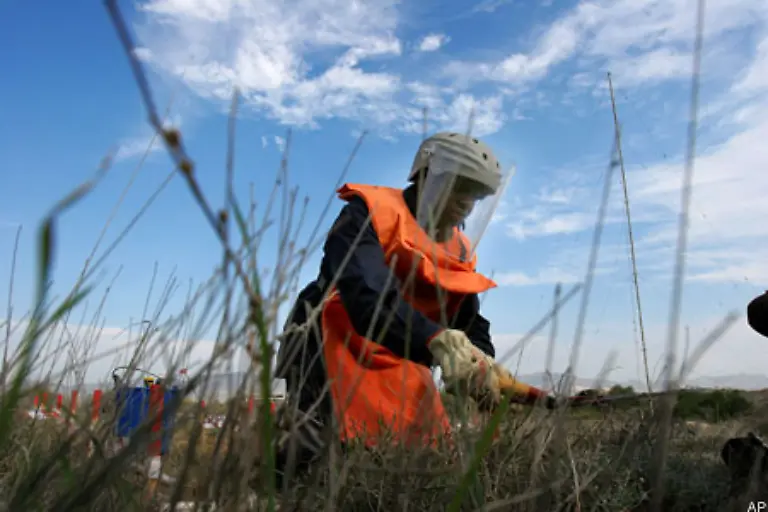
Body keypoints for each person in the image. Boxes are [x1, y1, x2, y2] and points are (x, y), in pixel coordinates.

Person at [271, 132, 552, 485]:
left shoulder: (459, 248)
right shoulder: (368, 211)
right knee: (314, 452)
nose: (466, 203)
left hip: (404, 349)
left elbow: (466, 317)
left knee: (422, 455)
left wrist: (481, 362)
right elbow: (364, 294)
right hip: (329, 342)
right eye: (460, 187)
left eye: (476, 195)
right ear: (426, 174)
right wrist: (435, 339)